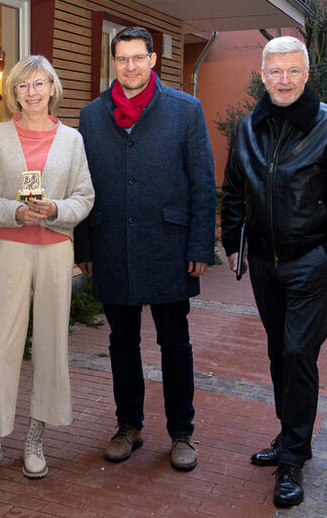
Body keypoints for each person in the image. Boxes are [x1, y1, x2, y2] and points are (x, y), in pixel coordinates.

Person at [220, 36, 327, 507]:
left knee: (298, 354)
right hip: (265, 262)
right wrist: (232, 242)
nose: (284, 80)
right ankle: (290, 438)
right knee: (278, 355)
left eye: (293, 71)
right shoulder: (249, 127)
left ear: (307, 75)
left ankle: (293, 458)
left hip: (310, 261)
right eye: (275, 72)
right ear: (262, 76)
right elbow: (230, 191)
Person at [74, 26, 216, 473]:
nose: (130, 66)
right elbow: (82, 185)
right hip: (112, 244)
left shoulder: (185, 110)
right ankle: (128, 427)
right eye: (122, 59)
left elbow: (203, 183)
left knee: (175, 342)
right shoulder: (92, 115)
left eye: (138, 57)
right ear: (112, 63)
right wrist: (85, 245)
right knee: (122, 342)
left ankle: (181, 434)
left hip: (170, 247)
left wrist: (201, 245)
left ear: (152, 60)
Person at [0, 56, 94, 479]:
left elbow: (85, 196)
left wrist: (56, 208)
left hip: (56, 248)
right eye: (23, 86)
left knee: (51, 344)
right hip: (10, 246)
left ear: (52, 89)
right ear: (14, 93)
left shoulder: (72, 140)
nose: (32, 92)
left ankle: (34, 439)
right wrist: (11, 212)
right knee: (1, 345)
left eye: (40, 84)